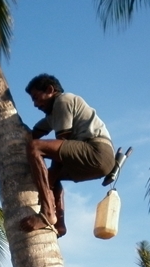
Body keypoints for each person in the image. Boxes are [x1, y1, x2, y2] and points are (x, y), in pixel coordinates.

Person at [20, 73, 115, 238]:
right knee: (48, 174)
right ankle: (60, 224)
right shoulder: (52, 116)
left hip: (97, 151)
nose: (35, 104)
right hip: (98, 164)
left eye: (36, 97)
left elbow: (61, 145)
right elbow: (34, 132)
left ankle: (47, 213)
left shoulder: (63, 101)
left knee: (35, 148)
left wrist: (48, 178)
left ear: (50, 90)